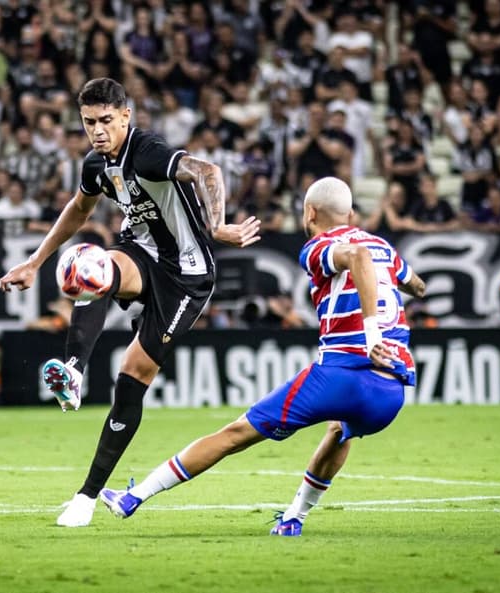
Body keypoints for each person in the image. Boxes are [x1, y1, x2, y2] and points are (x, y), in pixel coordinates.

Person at [0, 78, 261, 527]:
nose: (97, 131)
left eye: (105, 120)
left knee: (132, 378)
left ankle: (87, 496)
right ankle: (73, 372)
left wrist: (217, 225)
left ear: (125, 116)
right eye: (88, 123)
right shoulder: (96, 164)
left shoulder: (148, 151)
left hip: (186, 277)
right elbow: (79, 209)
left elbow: (208, 171)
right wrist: (35, 262)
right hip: (140, 253)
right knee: (91, 265)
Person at [97, 177, 427, 536]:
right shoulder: (382, 247)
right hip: (389, 393)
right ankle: (294, 518)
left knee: (235, 434)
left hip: (343, 374)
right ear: (349, 213)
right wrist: (399, 287)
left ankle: (134, 496)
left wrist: (372, 333)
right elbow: (417, 285)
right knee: (340, 431)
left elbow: (356, 257)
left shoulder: (319, 246)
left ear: (310, 212)